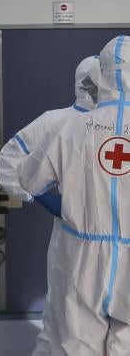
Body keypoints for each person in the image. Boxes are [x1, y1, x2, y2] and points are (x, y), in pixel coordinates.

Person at [18, 35, 130, 355]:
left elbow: (29, 179)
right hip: (111, 253)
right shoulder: (69, 126)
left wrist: (67, 208)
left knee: (76, 337)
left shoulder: (70, 128)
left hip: (82, 252)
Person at [0, 56, 100, 355]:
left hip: (121, 237)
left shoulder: (123, 122)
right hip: (73, 238)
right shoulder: (56, 121)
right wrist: (44, 197)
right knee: (63, 316)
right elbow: (9, 162)